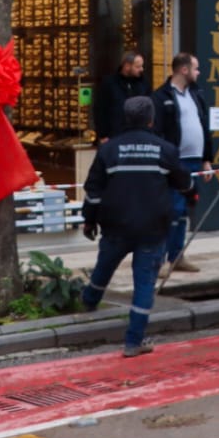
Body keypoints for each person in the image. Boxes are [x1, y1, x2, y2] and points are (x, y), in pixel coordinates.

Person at [81, 97, 196, 357]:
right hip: (152, 228)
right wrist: (192, 193)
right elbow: (184, 181)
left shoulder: (109, 150)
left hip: (115, 225)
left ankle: (88, 303)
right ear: (151, 120)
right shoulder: (164, 149)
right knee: (144, 283)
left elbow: (93, 190)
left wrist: (89, 219)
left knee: (104, 267)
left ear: (126, 118)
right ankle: (134, 341)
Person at [152, 52, 211, 276]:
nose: (199, 73)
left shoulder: (196, 94)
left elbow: (204, 127)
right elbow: (157, 131)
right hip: (175, 162)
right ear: (184, 70)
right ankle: (162, 258)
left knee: (185, 210)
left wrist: (207, 159)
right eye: (195, 68)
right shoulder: (161, 96)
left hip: (194, 161)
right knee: (173, 210)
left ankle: (177, 256)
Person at [92, 50, 149, 143]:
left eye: (142, 66)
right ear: (127, 66)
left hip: (139, 136)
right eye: (138, 67)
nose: (141, 69)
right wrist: (103, 135)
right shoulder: (109, 84)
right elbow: (100, 110)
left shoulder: (143, 84)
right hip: (115, 136)